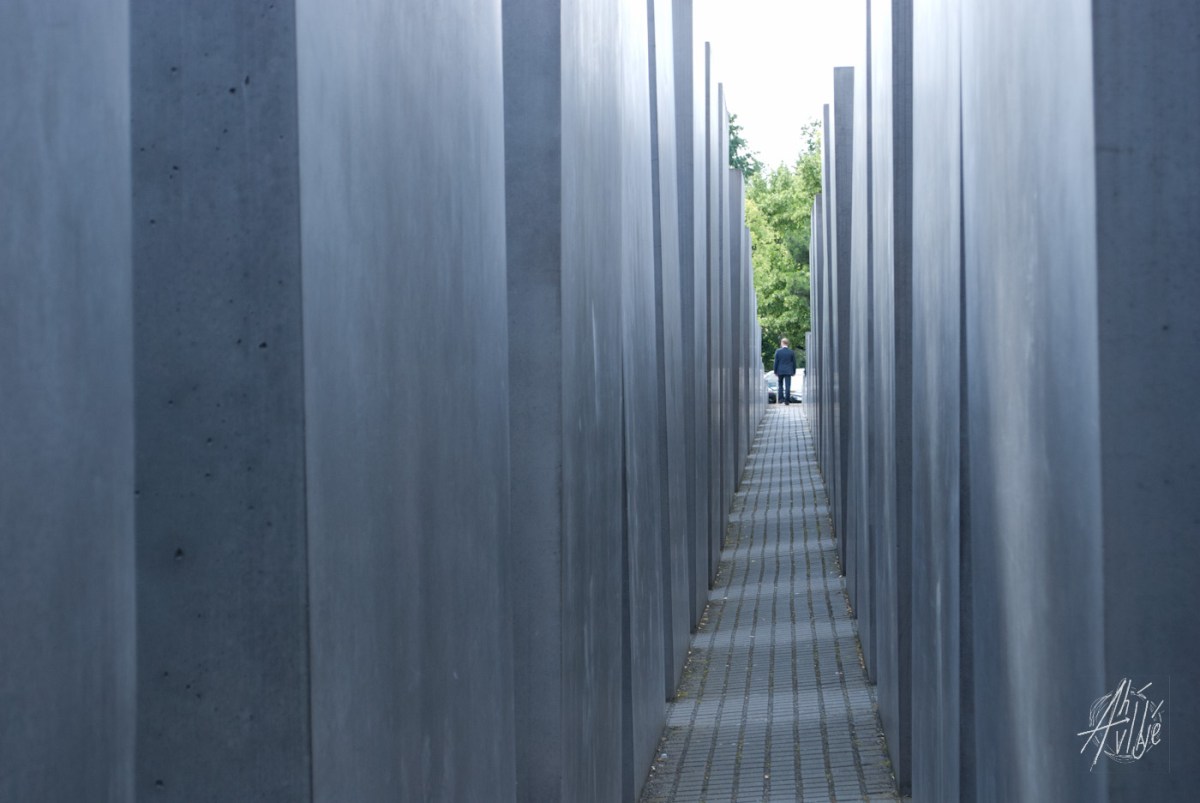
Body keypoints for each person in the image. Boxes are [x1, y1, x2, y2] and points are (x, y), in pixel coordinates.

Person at [773, 338, 797, 405]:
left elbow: (776, 362)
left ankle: (781, 399)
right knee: (788, 385)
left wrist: (775, 371)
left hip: (780, 371)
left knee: (780, 385)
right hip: (788, 371)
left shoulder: (778, 351)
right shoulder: (791, 352)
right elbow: (794, 363)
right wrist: (794, 371)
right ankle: (787, 400)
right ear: (787, 343)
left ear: (782, 343)